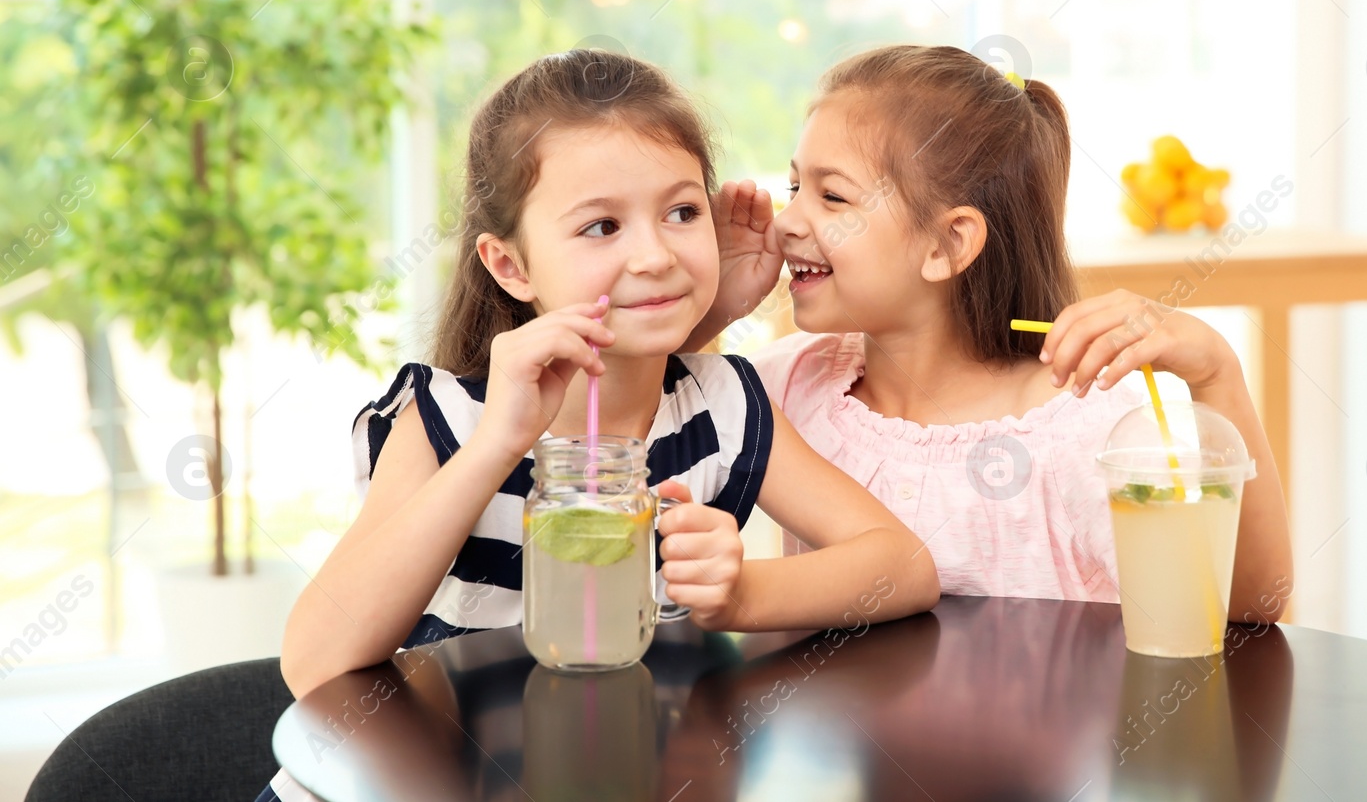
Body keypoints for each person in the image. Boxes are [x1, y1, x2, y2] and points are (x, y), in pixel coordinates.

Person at [256, 50, 939, 802]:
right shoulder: (450, 418)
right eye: (601, 226)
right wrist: (498, 444)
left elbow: (903, 565)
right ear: (511, 267)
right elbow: (313, 661)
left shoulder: (724, 407)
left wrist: (741, 594)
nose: (653, 254)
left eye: (681, 212)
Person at [685, 44, 1293, 617]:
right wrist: (715, 307)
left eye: (833, 197)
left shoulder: (1081, 425)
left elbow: (1242, 606)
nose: (787, 220)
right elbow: (641, 418)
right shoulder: (790, 384)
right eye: (795, 187)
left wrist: (1218, 373)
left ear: (948, 244)